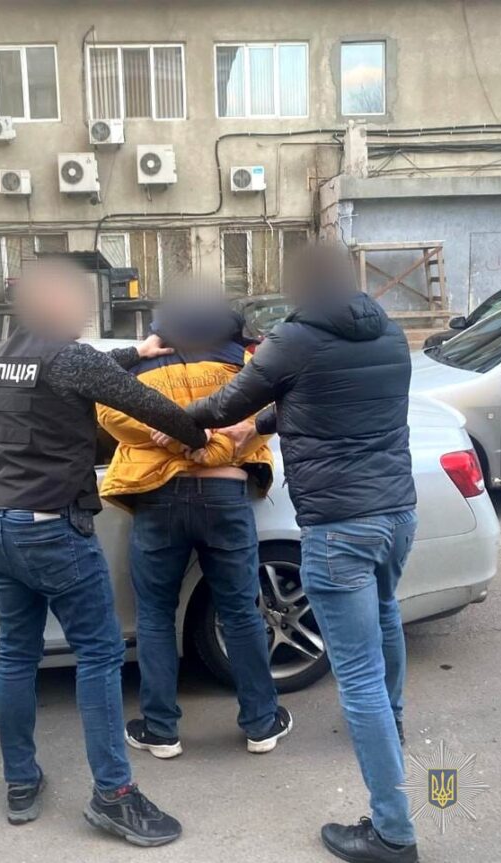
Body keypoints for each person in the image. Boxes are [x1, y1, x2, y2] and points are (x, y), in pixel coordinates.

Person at [186, 245, 420, 863]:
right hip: (397, 513)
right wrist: (261, 426)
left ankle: (393, 832)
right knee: (387, 617)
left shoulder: (296, 338)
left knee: (358, 680)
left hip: (340, 526)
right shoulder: (389, 333)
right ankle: (393, 725)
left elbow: (223, 405)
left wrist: (171, 418)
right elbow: (324, 396)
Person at [0, 260, 207, 847]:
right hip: (52, 530)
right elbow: (145, 405)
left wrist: (137, 351)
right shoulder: (69, 358)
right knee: (101, 656)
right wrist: (200, 435)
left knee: (15, 657)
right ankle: (114, 794)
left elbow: (91, 371)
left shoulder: (0, 358)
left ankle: (20, 782)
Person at [97, 284, 291, 761]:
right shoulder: (244, 363)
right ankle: (261, 723)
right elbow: (254, 423)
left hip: (158, 496)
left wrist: (172, 436)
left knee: (155, 614)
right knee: (241, 611)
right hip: (224, 496)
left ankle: (161, 730)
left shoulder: (140, 363)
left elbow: (108, 414)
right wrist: (209, 447)